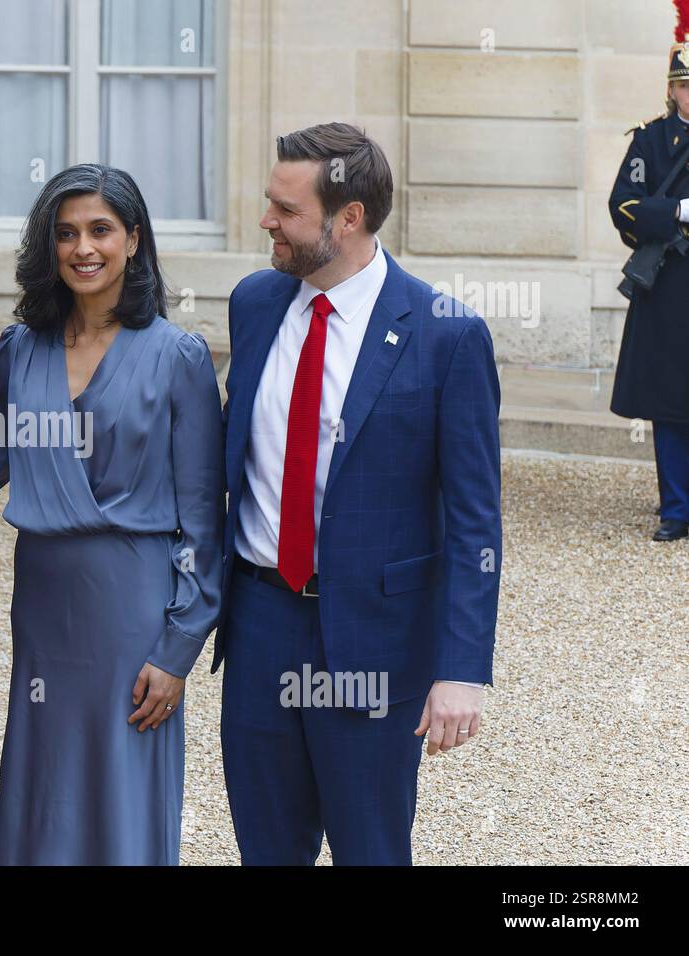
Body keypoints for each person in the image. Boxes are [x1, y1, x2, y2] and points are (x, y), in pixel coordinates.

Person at [216, 124, 501, 865]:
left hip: (376, 642)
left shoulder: (448, 336)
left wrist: (463, 668)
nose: (265, 221)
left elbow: (476, 521)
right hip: (259, 624)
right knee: (266, 852)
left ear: (348, 219)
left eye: (286, 209)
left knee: (371, 851)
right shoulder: (254, 304)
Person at [0, 164, 224, 865]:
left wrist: (178, 648)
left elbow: (202, 522)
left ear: (134, 238)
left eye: (101, 230)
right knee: (45, 781)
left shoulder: (178, 357)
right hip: (43, 603)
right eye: (65, 233)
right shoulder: (20, 347)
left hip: (133, 609)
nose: (82, 248)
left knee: (122, 785)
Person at [608, 6, 689, 542]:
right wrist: (679, 213)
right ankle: (677, 508)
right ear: (673, 89)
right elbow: (624, 206)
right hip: (670, 290)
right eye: (687, 86)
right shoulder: (651, 141)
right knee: (669, 401)